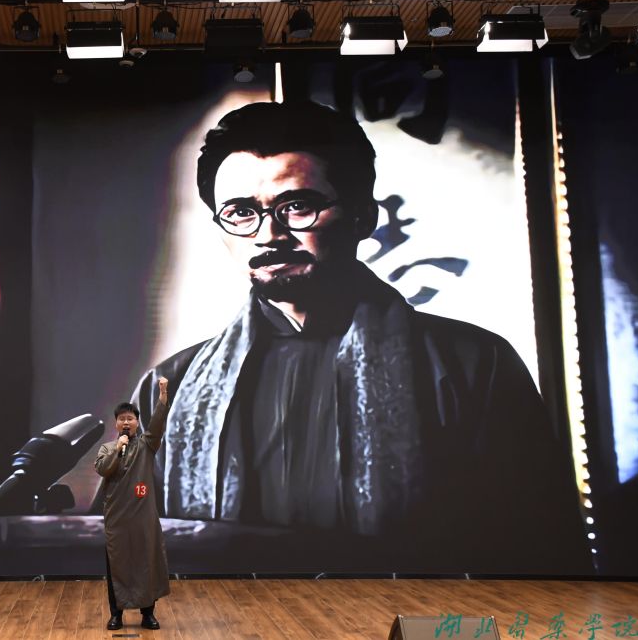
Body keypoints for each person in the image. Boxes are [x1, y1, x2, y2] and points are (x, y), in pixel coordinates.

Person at [131, 100, 590, 574]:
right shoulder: (172, 387)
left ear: (363, 216)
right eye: (240, 212)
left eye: (297, 207)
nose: (268, 235)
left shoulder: (473, 364)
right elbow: (136, 551)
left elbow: (543, 559)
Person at [95, 377, 170, 630]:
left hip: (143, 518)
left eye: (130, 418)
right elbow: (103, 469)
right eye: (121, 419)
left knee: (146, 564)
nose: (126, 422)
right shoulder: (107, 448)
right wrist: (118, 449)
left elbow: (157, 426)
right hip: (117, 520)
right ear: (116, 423)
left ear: (137, 422)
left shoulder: (147, 445)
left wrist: (162, 398)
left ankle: (148, 614)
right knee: (117, 567)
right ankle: (116, 614)